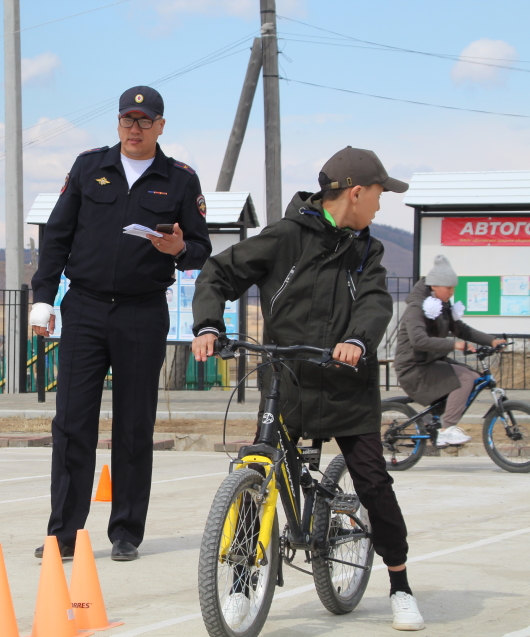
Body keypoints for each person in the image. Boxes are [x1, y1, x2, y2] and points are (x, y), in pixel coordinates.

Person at [191, 146, 426, 631]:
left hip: (346, 385)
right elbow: (219, 272)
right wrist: (208, 325)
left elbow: (376, 302)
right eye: (380, 195)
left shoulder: (367, 249)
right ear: (356, 193)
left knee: (373, 484)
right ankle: (240, 583)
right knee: (258, 466)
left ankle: (400, 585)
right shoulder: (285, 237)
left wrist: (358, 339)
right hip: (289, 380)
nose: (381, 206)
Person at [29, 86, 211, 561]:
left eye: (144, 121)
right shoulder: (90, 167)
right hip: (85, 308)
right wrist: (44, 300)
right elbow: (57, 236)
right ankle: (63, 535)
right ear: (117, 123)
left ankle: (126, 533)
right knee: (71, 424)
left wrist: (179, 251)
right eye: (127, 120)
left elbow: (200, 247)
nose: (134, 129)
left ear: (160, 126)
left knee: (133, 426)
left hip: (142, 311)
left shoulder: (179, 179)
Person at [394, 255, 506, 446]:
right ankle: (446, 429)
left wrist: (492, 341)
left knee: (472, 375)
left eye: (453, 287)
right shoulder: (417, 307)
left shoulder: (442, 305)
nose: (452, 292)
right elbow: (419, 340)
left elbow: (461, 330)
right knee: (464, 378)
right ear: (435, 285)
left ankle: (434, 418)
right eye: (449, 288)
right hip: (413, 368)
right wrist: (454, 344)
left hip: (428, 363)